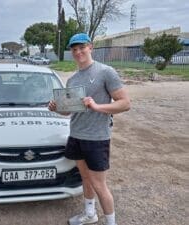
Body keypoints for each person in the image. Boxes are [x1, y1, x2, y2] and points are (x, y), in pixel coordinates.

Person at [48, 33, 130, 225]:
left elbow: (125, 103)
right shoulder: (73, 80)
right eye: (74, 49)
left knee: (100, 185)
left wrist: (97, 107)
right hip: (76, 136)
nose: (78, 52)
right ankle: (90, 214)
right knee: (86, 179)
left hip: (97, 138)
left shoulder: (105, 72)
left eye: (81, 47)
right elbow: (69, 113)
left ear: (90, 47)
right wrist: (56, 108)